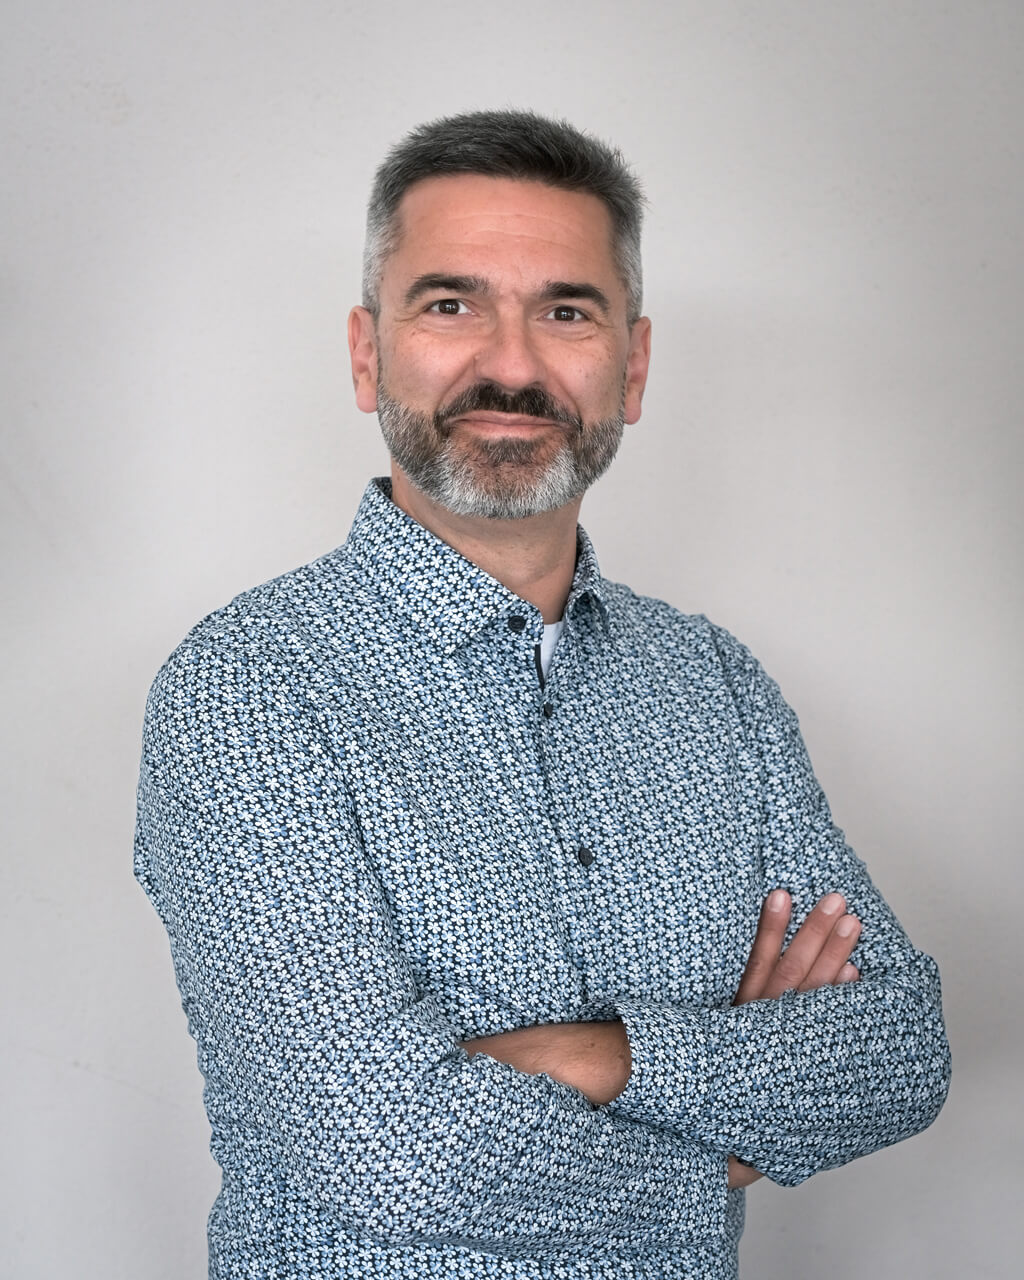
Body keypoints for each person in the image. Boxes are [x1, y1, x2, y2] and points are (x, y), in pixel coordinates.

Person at [134, 110, 950, 1279]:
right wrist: (722, 1128)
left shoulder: (713, 681)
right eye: (450, 303)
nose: (511, 363)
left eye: (565, 310)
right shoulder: (249, 686)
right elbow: (387, 1145)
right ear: (368, 353)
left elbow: (899, 1051)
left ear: (633, 363)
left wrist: (592, 1057)